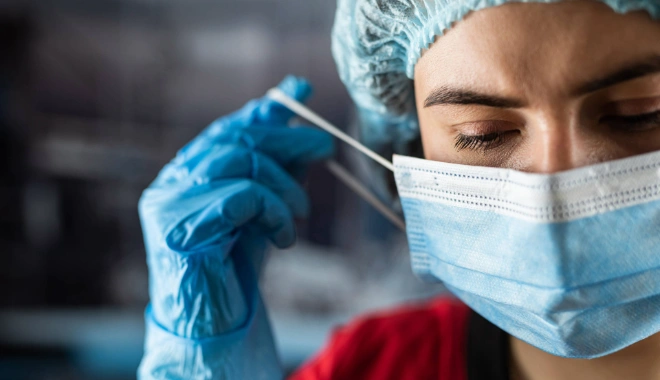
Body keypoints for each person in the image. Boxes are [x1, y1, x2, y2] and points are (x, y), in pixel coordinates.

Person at [137, 1, 660, 379]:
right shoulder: (371, 367)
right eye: (484, 135)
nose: (555, 186)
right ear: (408, 149)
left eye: (641, 113)